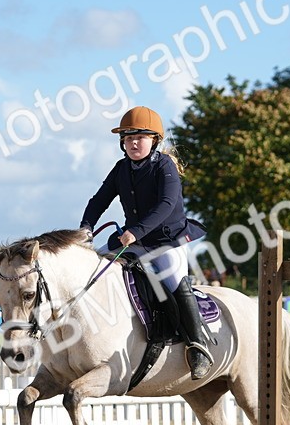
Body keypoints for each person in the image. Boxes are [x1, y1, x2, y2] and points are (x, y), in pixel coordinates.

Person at [79, 106, 212, 379]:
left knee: (175, 283)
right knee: (94, 270)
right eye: (128, 138)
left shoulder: (165, 166)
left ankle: (198, 345)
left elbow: (166, 205)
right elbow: (98, 201)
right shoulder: (121, 168)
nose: (133, 143)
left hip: (167, 240)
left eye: (140, 137)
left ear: (154, 140)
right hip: (135, 238)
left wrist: (136, 232)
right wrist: (86, 228)